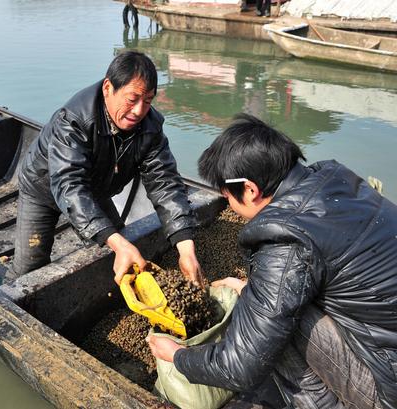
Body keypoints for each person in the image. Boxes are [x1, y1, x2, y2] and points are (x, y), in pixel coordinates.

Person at [148, 113, 397, 408]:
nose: (228, 204)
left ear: (250, 189)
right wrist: (248, 286)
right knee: (272, 302)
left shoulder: (287, 239)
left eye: (227, 197)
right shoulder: (336, 180)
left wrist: (176, 354)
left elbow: (239, 366)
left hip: (385, 387)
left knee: (275, 327)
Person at [14, 51, 202, 285]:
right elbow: (69, 186)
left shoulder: (150, 127)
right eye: (132, 99)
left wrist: (185, 246)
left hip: (95, 190)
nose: (139, 111)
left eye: (148, 100)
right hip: (42, 189)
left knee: (120, 254)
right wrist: (114, 239)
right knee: (27, 270)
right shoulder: (74, 120)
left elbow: (165, 183)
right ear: (107, 88)